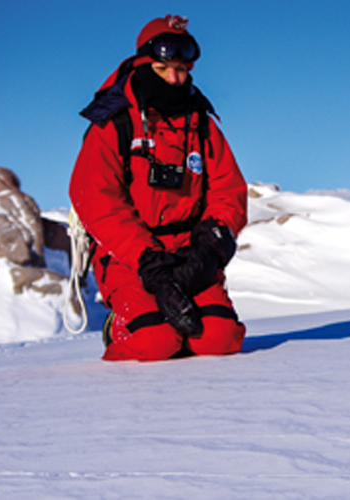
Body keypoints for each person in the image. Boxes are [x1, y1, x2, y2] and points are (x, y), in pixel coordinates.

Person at [69, 15, 247, 361]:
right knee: (154, 342)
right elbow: (95, 199)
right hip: (131, 256)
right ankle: (117, 327)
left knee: (220, 339)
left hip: (190, 251)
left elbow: (229, 192)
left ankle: (173, 325)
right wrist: (148, 261)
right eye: (165, 68)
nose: (175, 78)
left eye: (183, 69)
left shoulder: (202, 124)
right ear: (144, 64)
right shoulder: (114, 122)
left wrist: (208, 250)